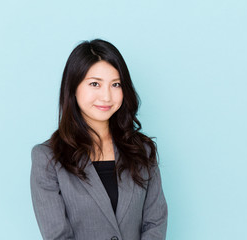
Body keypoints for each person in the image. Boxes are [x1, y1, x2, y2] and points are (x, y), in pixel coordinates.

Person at [30, 39, 168, 240]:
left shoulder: (142, 150)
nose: (106, 96)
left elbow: (155, 223)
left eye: (116, 84)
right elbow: (57, 235)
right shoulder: (48, 158)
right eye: (95, 84)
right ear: (73, 87)